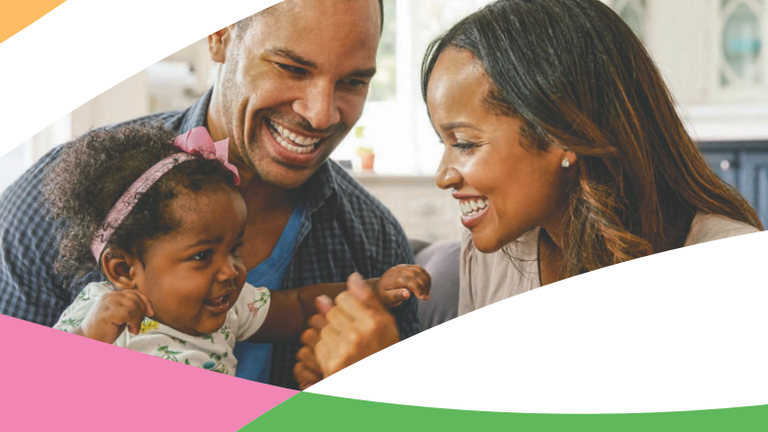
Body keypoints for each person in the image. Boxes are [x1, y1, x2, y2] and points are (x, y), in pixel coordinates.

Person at [293, 0, 763, 386]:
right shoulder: (496, 254)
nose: (444, 176)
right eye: (444, 144)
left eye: (465, 143)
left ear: (565, 133)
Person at [0, 0, 420, 389]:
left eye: (351, 82)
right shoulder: (47, 209)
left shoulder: (374, 242)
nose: (320, 113)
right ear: (219, 34)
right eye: (291, 67)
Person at [46, 124, 430, 376]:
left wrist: (372, 291)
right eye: (202, 256)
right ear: (123, 270)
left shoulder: (230, 306)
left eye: (235, 249)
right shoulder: (100, 314)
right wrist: (90, 340)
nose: (230, 271)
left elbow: (297, 305)